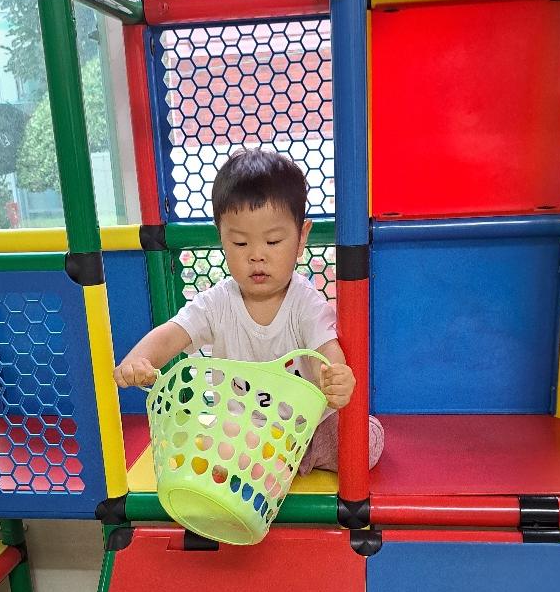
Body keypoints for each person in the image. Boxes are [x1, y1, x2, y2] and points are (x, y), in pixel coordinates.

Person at [114, 148, 384, 474]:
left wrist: (334, 377)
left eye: (273, 242)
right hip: (244, 431)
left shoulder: (304, 302)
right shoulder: (217, 303)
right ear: (222, 239)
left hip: (307, 429)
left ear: (301, 238)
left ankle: (277, 464)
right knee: (209, 440)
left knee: (364, 441)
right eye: (240, 243)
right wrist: (139, 360)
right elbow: (172, 334)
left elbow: (324, 353)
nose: (257, 255)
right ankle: (260, 466)